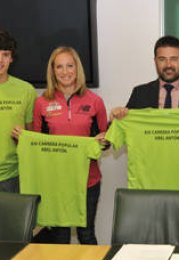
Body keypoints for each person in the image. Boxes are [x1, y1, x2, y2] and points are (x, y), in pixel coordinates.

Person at [28, 46, 108, 244]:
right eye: (59, 67)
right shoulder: (41, 103)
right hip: (56, 183)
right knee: (60, 237)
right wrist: (22, 138)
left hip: (87, 181)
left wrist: (105, 141)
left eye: (70, 66)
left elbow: (104, 142)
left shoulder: (95, 101)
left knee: (86, 234)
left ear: (77, 68)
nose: (65, 72)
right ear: (52, 71)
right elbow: (37, 145)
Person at [110, 35, 179, 123]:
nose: (168, 65)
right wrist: (114, 118)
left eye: (173, 59)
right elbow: (123, 128)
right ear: (155, 61)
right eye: (162, 59)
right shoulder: (140, 94)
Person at [0, 30, 37, 192]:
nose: (0, 60)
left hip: (13, 176)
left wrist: (25, 136)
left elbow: (33, 134)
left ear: (11, 58)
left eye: (5, 54)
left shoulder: (26, 90)